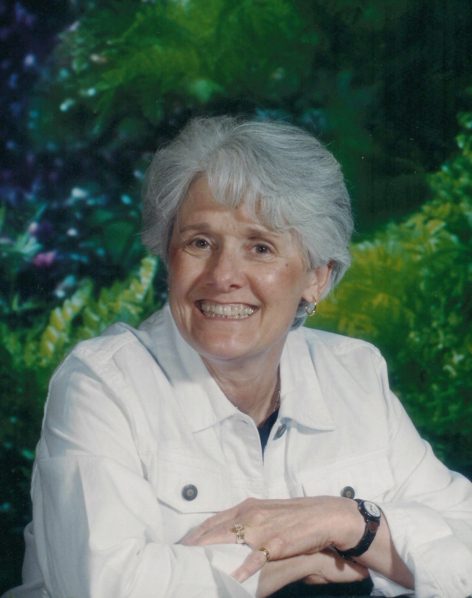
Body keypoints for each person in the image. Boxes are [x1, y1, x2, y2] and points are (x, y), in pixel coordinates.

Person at [5, 116, 472, 598]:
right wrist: (303, 557)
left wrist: (344, 521)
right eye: (199, 243)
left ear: (316, 277)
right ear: (168, 255)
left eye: (260, 247)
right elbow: (104, 588)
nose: (223, 275)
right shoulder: (102, 383)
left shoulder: (354, 372)